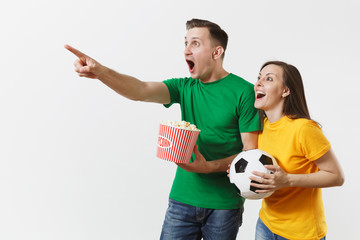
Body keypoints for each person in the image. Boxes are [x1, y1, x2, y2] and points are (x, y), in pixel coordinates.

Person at [65, 19, 261, 240]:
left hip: (224, 204)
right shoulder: (184, 87)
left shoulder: (244, 92)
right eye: (185, 43)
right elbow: (140, 90)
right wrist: (101, 72)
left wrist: (208, 167)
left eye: (195, 43)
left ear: (217, 52)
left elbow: (250, 153)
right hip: (182, 199)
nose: (186, 49)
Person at [250, 61, 345, 240]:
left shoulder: (304, 129)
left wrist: (287, 179)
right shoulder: (261, 127)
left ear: (285, 91)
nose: (258, 83)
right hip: (266, 224)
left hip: (302, 233)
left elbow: (337, 176)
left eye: (268, 78)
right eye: (259, 77)